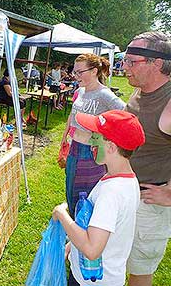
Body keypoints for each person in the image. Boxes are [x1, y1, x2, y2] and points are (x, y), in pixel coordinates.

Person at [53, 110, 145, 286]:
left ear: (111, 147)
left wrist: (62, 214)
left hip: (92, 281)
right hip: (100, 276)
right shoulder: (126, 179)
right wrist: (72, 246)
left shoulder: (112, 192)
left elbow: (92, 249)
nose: (91, 141)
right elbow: (100, 229)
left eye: (96, 136)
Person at [122, 31, 171, 286]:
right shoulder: (140, 90)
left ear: (157, 63)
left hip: (149, 204)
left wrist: (170, 193)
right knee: (113, 261)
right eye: (124, 60)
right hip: (124, 193)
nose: (125, 67)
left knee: (139, 272)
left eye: (132, 61)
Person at [60, 53, 125, 218]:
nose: (75, 76)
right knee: (71, 187)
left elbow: (125, 115)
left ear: (95, 71)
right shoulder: (80, 91)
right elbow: (72, 115)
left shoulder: (105, 95)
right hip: (74, 148)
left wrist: (106, 135)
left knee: (86, 193)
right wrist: (64, 137)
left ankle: (84, 229)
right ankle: (75, 226)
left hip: (91, 152)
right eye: (75, 72)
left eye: (80, 72)